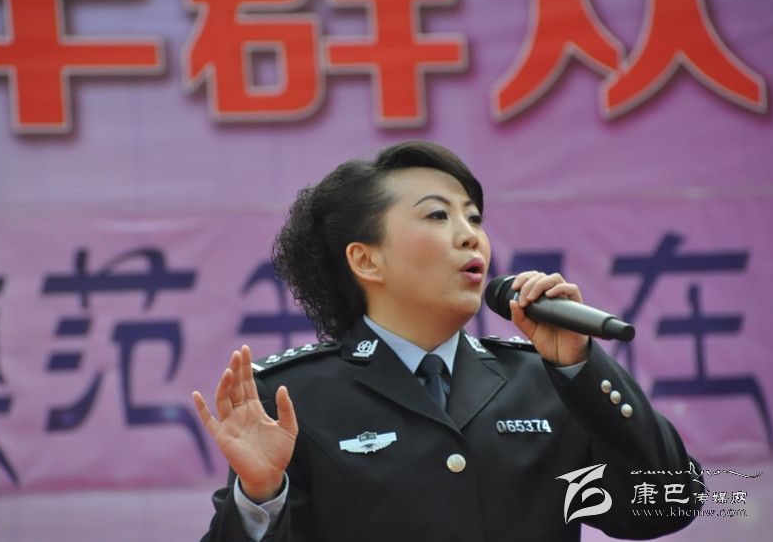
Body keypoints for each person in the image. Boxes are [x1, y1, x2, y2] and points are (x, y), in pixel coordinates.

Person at [192, 140, 703, 541]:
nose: (470, 235)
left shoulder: (544, 381)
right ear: (366, 260)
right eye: (438, 215)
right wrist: (260, 496)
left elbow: (666, 503)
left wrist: (582, 368)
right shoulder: (293, 398)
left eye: (474, 217)